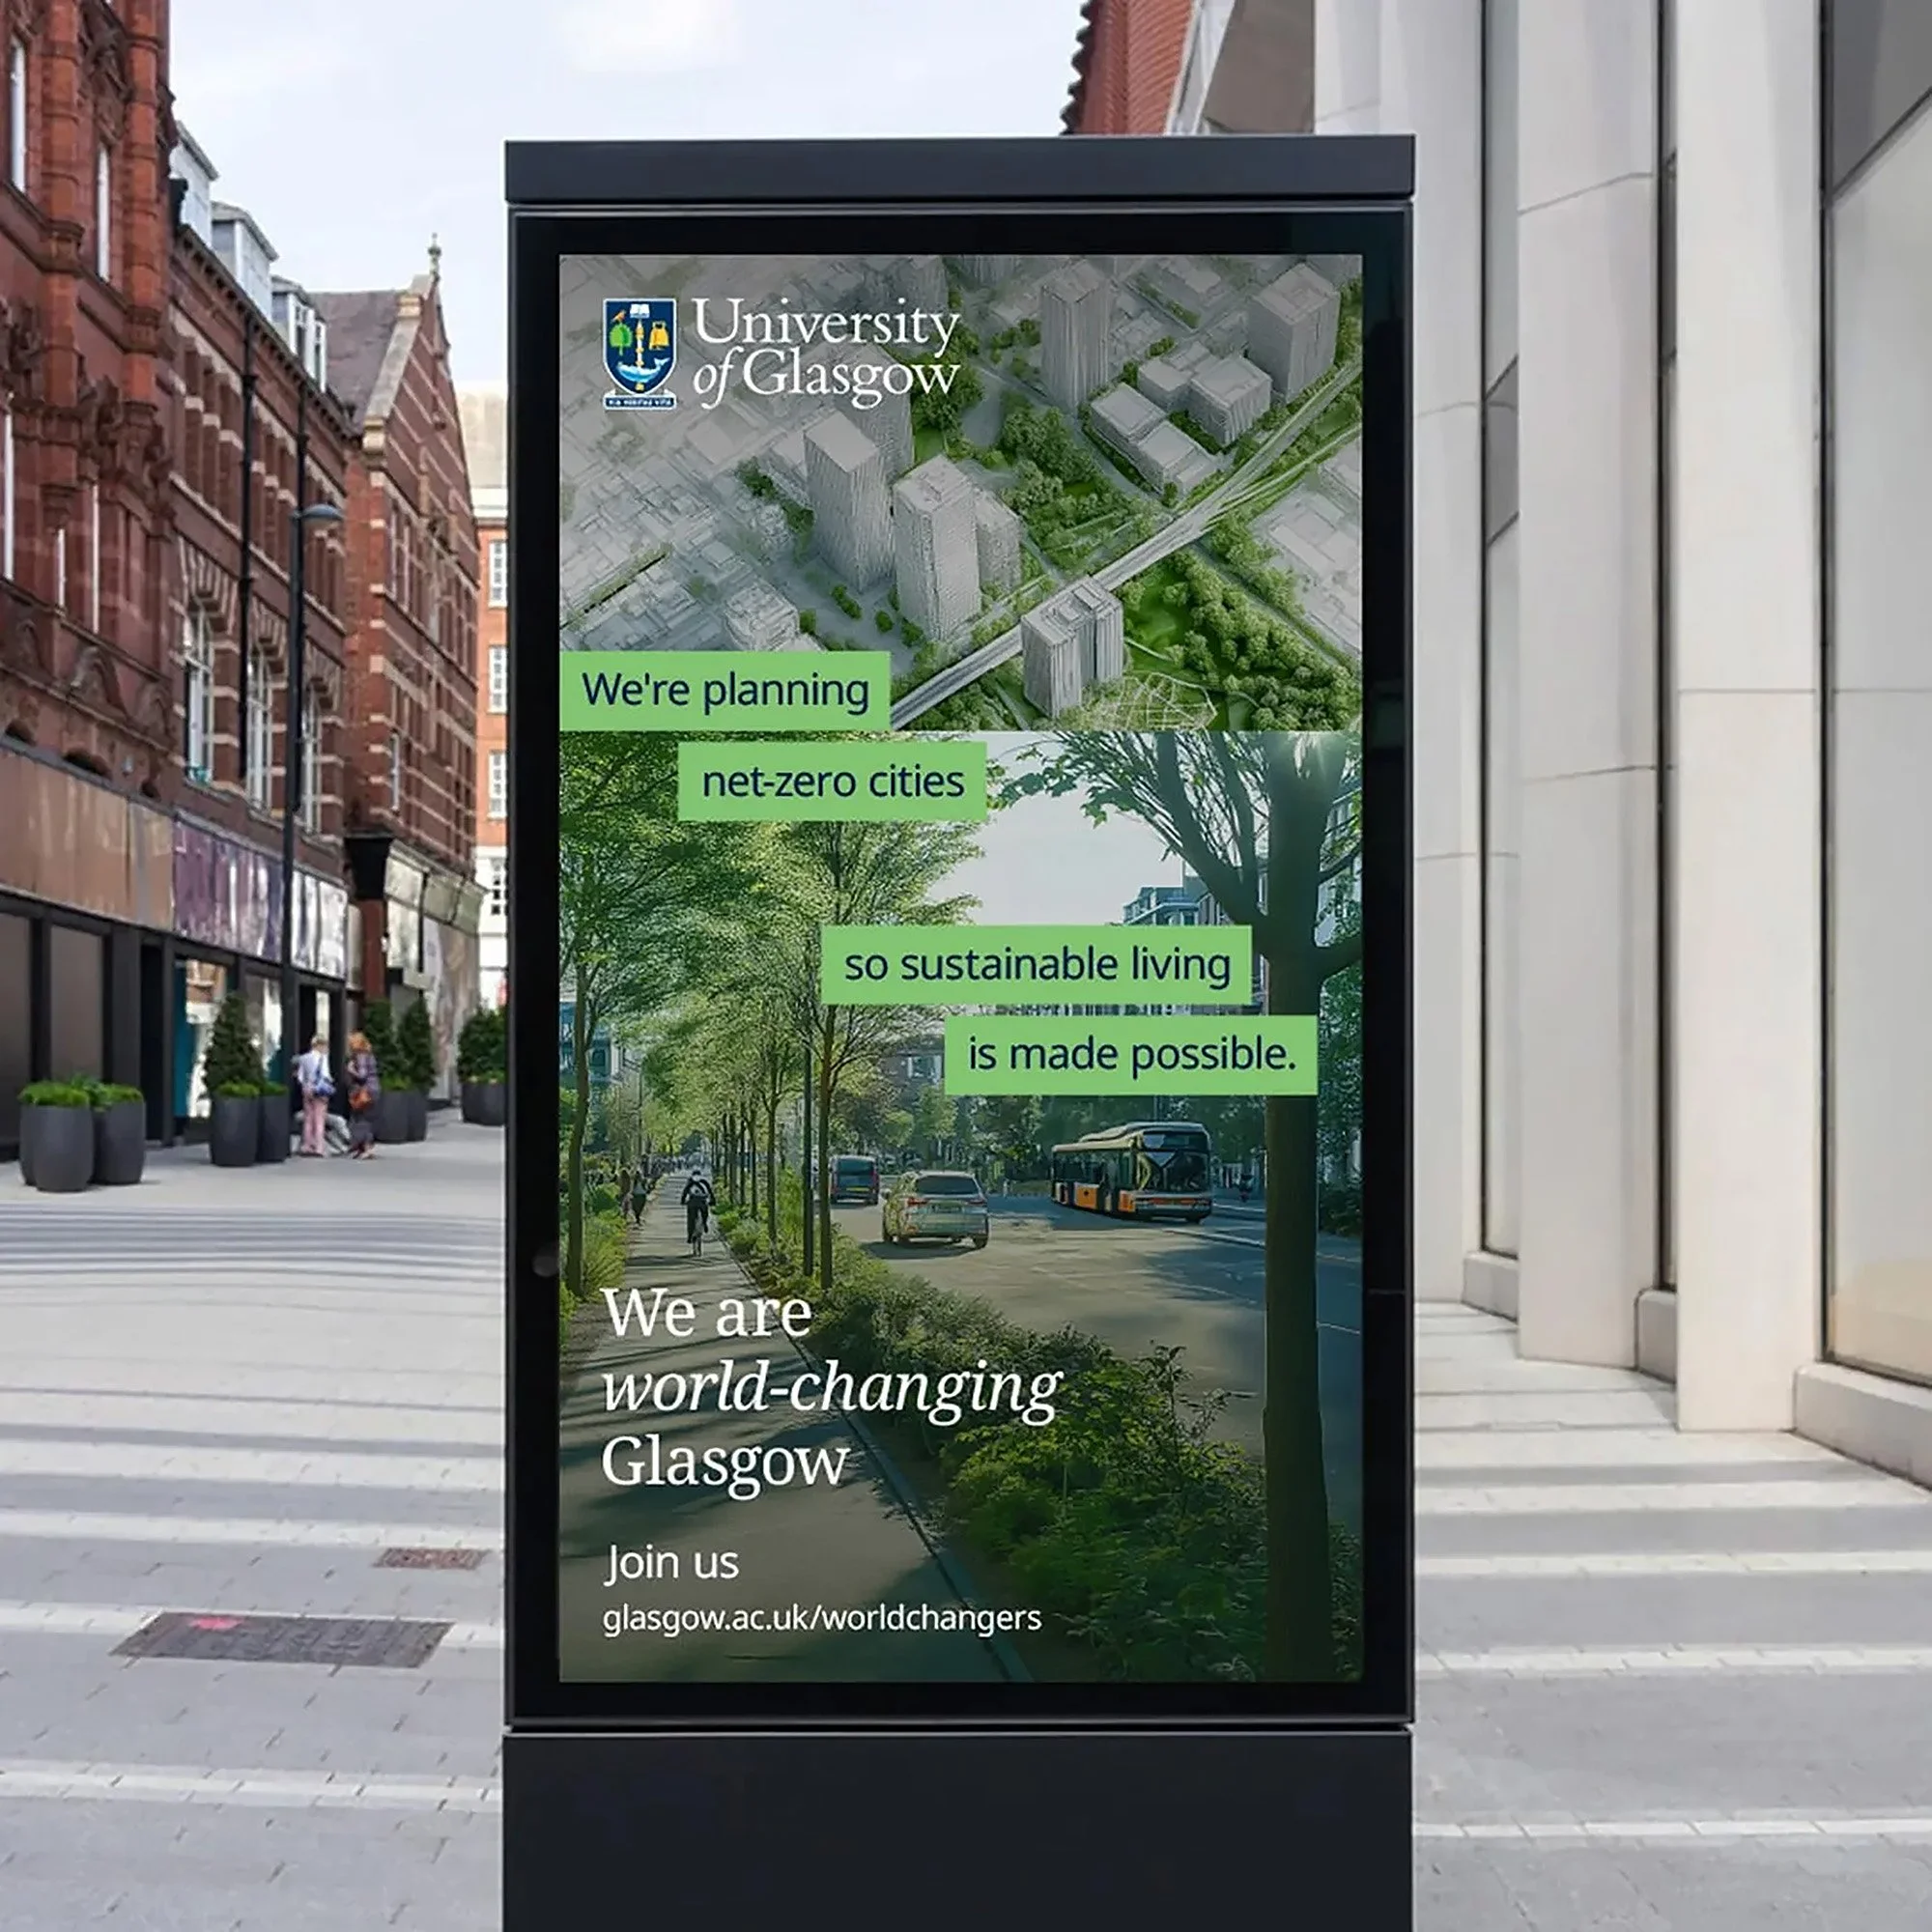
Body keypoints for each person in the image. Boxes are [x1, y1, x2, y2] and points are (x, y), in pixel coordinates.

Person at [294, 1036, 333, 1157]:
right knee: (319, 1119)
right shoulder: (322, 1058)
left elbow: (300, 1077)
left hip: (307, 1089)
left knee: (308, 1118)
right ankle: (319, 1147)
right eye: (325, 1045)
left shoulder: (304, 1058)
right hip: (319, 1091)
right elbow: (325, 1075)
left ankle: (307, 1145)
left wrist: (307, 1084)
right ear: (320, 1046)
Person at [345, 1031, 382, 1160]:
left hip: (365, 1091)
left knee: (362, 1119)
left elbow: (362, 1075)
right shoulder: (369, 1055)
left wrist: (351, 1070)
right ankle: (362, 1148)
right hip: (373, 1089)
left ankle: (366, 1148)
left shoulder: (361, 1056)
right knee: (364, 1118)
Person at [681, 1170, 715, 1256]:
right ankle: (705, 1223)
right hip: (703, 1203)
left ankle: (690, 1236)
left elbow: (685, 1192)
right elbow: (710, 1192)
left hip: (692, 1203)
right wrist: (713, 1201)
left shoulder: (690, 1181)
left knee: (691, 1219)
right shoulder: (704, 1181)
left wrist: (683, 1201)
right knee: (705, 1214)